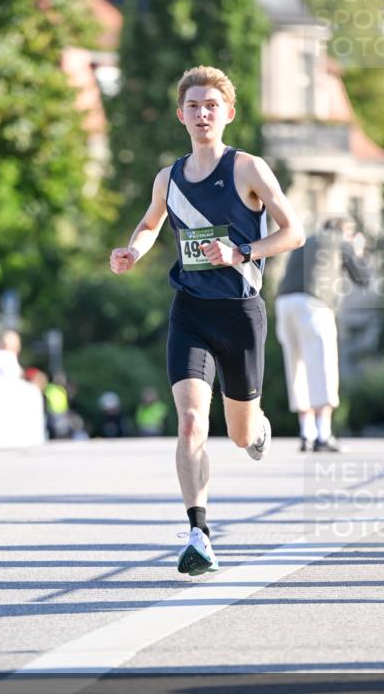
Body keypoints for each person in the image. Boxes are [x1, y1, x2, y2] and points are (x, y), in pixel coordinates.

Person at [110, 65, 305, 576]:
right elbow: (151, 223)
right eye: (193, 106)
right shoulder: (168, 178)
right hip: (190, 311)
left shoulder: (249, 169)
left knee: (239, 434)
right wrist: (132, 251)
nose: (202, 114)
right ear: (181, 115)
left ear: (228, 114)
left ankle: (257, 428)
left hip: (241, 313)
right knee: (193, 419)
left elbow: (295, 233)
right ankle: (199, 533)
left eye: (211, 106)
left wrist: (241, 251)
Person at [275, 218, 370, 452]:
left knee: (296, 366)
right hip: (314, 303)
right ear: (344, 231)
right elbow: (362, 277)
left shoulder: (306, 240)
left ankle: (306, 433)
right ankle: (323, 434)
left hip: (284, 302)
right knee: (322, 365)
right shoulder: (341, 241)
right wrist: (357, 251)